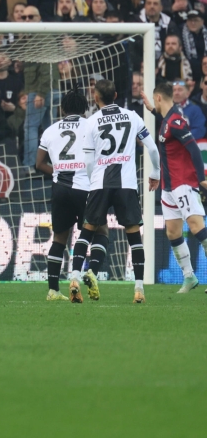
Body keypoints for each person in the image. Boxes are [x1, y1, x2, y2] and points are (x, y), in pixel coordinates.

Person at [78, 79, 159, 304]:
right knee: (134, 236)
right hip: (126, 184)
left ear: (95, 97)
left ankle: (75, 276)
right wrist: (156, 173)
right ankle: (139, 288)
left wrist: (94, 181)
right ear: (115, 95)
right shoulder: (132, 116)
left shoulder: (92, 121)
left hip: (100, 184)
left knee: (89, 229)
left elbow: (87, 161)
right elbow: (152, 148)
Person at [142, 80, 207, 294]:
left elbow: (194, 150)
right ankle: (189, 277)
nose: (154, 102)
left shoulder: (177, 121)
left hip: (183, 184)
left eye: (154, 100)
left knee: (197, 227)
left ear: (159, 97)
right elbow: (167, 130)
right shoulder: (168, 119)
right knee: (172, 232)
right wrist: (152, 111)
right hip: (169, 187)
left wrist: (201, 178)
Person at [35, 91, 91, 302]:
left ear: (63, 109)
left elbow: (39, 164)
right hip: (84, 186)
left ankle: (53, 290)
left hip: (60, 188)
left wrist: (59, 171)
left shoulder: (50, 130)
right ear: (85, 108)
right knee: (93, 231)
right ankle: (78, 275)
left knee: (59, 238)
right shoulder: (91, 125)